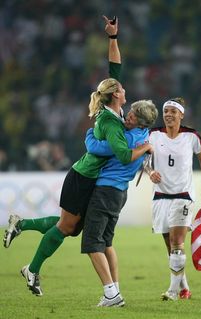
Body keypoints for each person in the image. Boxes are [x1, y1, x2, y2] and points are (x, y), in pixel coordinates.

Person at [3, 16, 153, 297]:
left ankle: (20, 226)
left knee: (71, 227)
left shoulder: (115, 112)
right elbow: (122, 154)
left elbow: (115, 67)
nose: (124, 88)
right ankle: (32, 270)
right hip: (83, 177)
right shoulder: (110, 122)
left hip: (91, 177)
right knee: (67, 227)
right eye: (120, 88)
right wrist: (145, 146)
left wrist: (112, 38)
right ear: (115, 96)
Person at [83, 98, 158, 307]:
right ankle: (115, 290)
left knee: (91, 243)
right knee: (107, 243)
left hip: (106, 190)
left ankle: (110, 294)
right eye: (131, 111)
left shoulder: (125, 139)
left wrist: (89, 133)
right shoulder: (143, 135)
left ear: (142, 123)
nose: (128, 115)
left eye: (134, 115)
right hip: (119, 193)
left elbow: (94, 146)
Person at [146, 98, 201, 301]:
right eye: (165, 111)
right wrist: (150, 172)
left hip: (183, 196)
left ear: (181, 115)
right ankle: (184, 288)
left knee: (177, 242)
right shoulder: (154, 134)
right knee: (171, 247)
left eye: (173, 111)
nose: (168, 114)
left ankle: (173, 292)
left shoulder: (191, 136)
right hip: (160, 196)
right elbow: (144, 161)